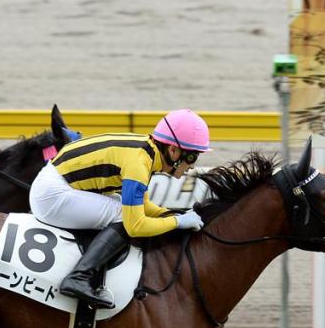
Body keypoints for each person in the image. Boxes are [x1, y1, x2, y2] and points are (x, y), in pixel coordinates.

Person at [29, 108, 209, 309]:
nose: (192, 166)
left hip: (57, 184)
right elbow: (135, 225)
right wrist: (176, 222)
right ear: (173, 150)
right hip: (52, 195)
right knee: (122, 215)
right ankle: (78, 277)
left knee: (122, 208)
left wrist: (171, 214)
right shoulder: (138, 164)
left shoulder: (146, 152)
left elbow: (143, 206)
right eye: (192, 156)